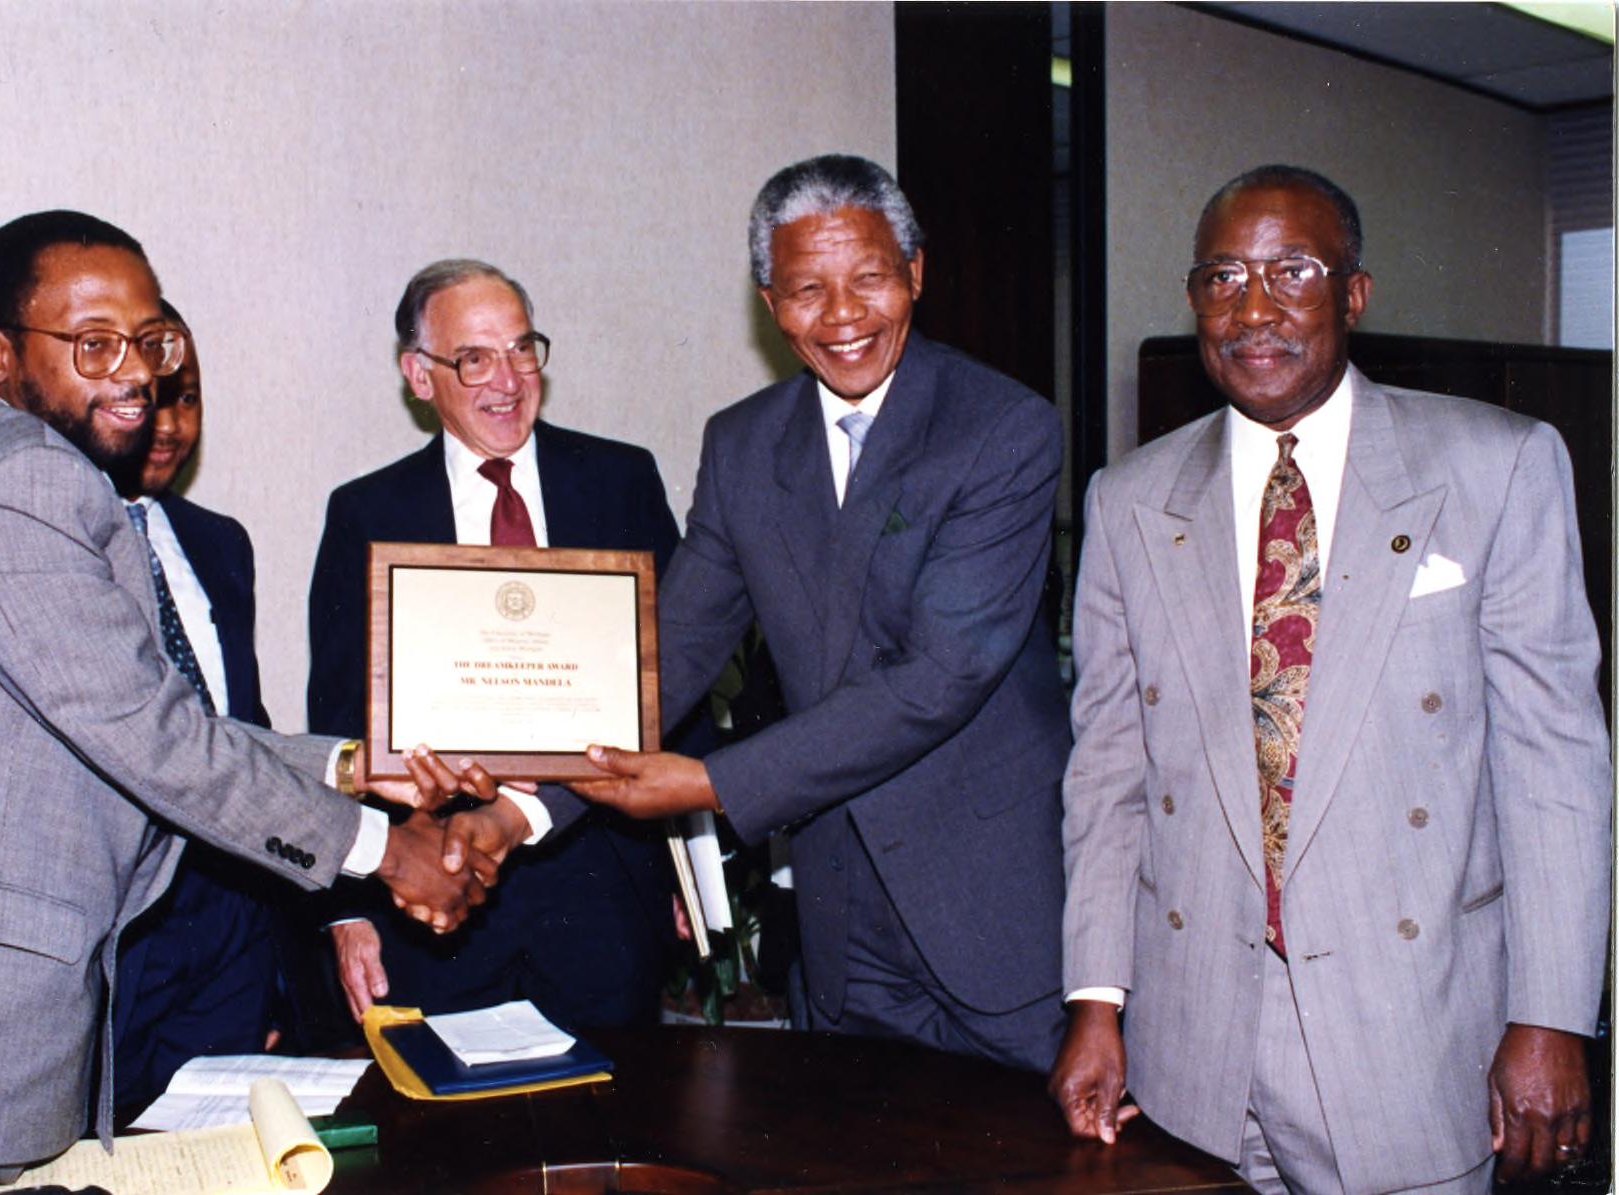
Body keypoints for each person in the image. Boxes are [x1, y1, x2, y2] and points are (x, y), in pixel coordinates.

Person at [0, 211, 497, 1192]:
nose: (135, 372)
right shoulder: (17, 487)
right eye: (94, 343)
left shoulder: (30, 478)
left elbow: (147, 717)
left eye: (151, 340)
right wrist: (385, 849)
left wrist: (356, 764)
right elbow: (156, 739)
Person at [1050, 165, 1610, 1193]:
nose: (1252, 309)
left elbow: (1556, 766)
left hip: (1413, 1033)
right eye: (1221, 277)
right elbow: (1108, 773)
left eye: (1291, 271)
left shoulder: (1498, 466)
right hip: (1195, 1050)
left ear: (1352, 294)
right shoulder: (1131, 499)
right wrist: (1096, 1001)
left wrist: (1553, 1015)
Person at [573, 154, 1070, 1071]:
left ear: (915, 273)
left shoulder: (1003, 428)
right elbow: (672, 649)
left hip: (992, 914)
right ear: (770, 302)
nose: (842, 317)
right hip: (841, 919)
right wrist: (516, 811)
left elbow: (938, 676)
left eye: (870, 279)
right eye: (807, 289)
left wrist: (715, 784)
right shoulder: (741, 444)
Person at [306, 259, 688, 1032]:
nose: (507, 380)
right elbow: (337, 724)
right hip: (440, 894)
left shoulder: (620, 480)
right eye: (474, 357)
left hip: (603, 886)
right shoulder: (365, 512)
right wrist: (349, 906)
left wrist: (690, 863)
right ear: (419, 375)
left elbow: (674, 673)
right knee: (455, 1141)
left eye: (522, 349)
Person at [111, 302, 296, 1119]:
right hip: (118, 925)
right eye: (148, 398)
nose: (169, 423)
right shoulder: (56, 548)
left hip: (230, 919)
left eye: (184, 397)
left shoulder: (221, 543)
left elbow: (243, 732)